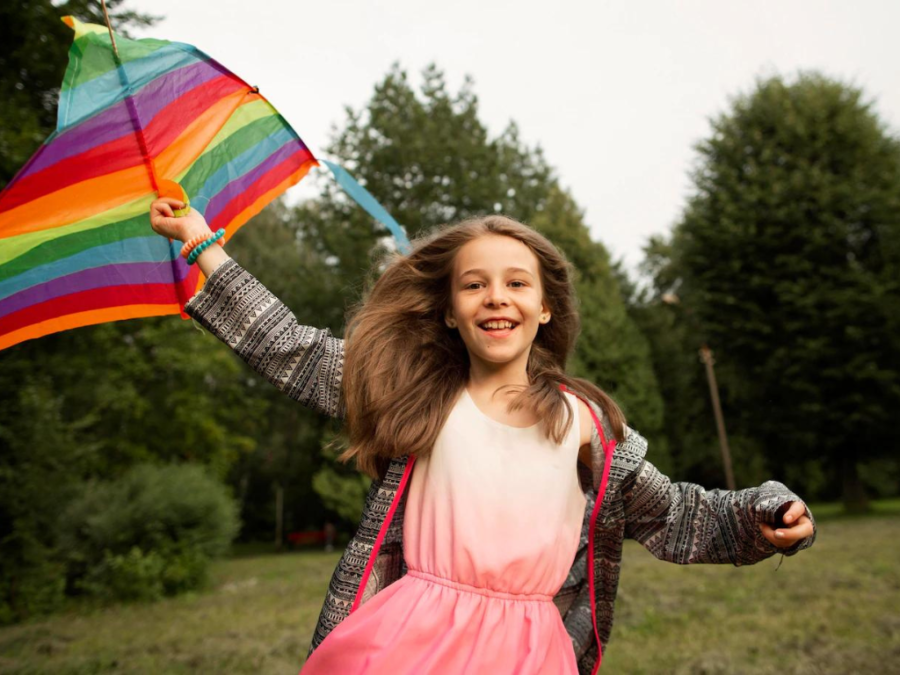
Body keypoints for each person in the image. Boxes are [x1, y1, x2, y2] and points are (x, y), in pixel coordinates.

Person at [149, 198, 816, 674]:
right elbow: (291, 350)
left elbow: (676, 513)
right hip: (410, 638)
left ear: (545, 306)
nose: (496, 296)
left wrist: (765, 513)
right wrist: (207, 245)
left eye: (515, 282)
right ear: (449, 310)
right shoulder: (416, 397)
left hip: (530, 650)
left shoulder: (586, 423)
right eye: (475, 284)